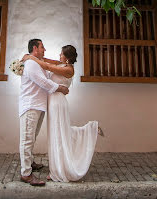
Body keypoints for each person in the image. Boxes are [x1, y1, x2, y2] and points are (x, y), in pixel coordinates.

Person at [22, 45, 103, 183]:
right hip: (52, 102)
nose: (59, 55)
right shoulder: (61, 64)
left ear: (67, 57)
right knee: (58, 134)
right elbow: (47, 60)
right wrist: (33, 57)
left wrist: (30, 57)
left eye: (61, 53)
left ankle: (90, 130)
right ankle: (57, 167)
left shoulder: (68, 69)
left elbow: (47, 66)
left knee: (59, 134)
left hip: (58, 103)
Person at [19, 39, 69, 186]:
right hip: (30, 105)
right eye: (42, 47)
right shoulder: (31, 64)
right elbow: (43, 82)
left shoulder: (37, 62)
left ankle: (30, 162)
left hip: (38, 105)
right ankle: (26, 173)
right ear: (35, 48)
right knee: (27, 139)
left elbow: (48, 72)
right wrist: (61, 88)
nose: (45, 49)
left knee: (32, 137)